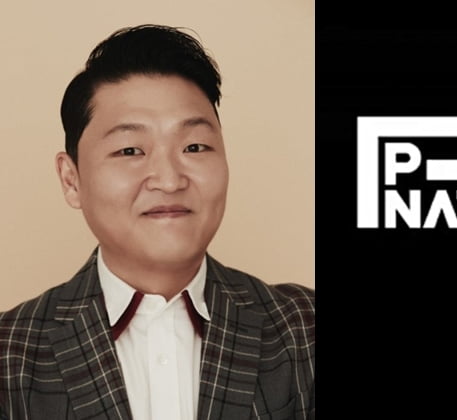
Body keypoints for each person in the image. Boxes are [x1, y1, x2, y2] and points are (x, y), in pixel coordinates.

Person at [0, 24, 314, 420]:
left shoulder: (303, 329)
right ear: (71, 179)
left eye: (194, 146)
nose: (169, 180)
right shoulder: (11, 353)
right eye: (130, 150)